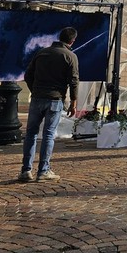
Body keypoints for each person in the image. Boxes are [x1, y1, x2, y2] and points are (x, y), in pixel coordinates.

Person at [18, 27, 79, 182]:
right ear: (72, 41)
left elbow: (27, 75)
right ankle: (43, 171)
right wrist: (73, 102)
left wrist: (35, 89)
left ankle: (26, 170)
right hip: (55, 99)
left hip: (37, 98)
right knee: (48, 135)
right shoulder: (70, 56)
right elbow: (73, 81)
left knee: (30, 134)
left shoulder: (41, 53)